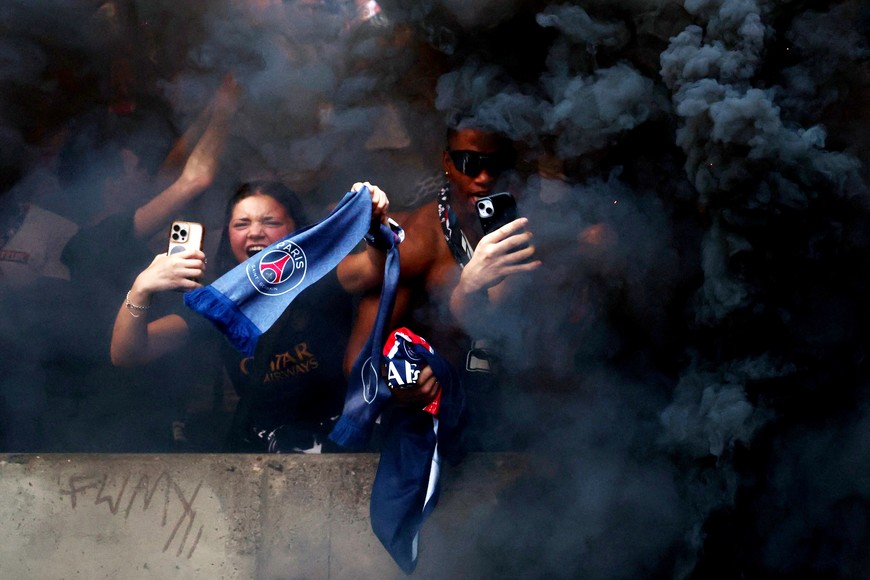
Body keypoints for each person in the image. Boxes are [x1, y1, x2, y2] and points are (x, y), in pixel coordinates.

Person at [110, 179, 392, 452]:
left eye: (270, 222)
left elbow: (373, 268)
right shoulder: (221, 304)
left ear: (297, 229)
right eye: (241, 224)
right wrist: (141, 289)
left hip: (338, 438)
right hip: (267, 451)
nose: (255, 232)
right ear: (228, 235)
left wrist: (372, 224)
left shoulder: (321, 277)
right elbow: (128, 353)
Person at [346, 123, 540, 451]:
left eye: (496, 165)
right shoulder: (417, 242)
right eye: (469, 162)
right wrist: (397, 385)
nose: (484, 177)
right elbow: (357, 361)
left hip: (516, 416)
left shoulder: (537, 230)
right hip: (436, 423)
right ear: (448, 163)